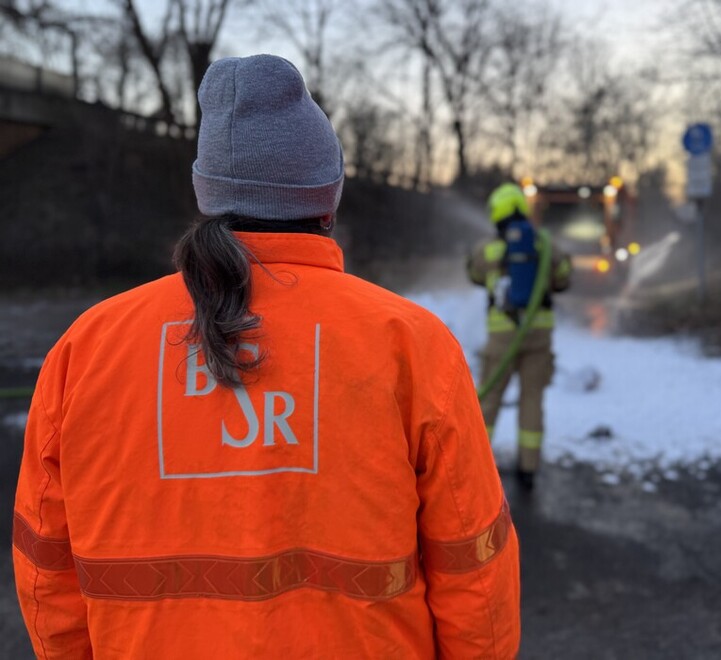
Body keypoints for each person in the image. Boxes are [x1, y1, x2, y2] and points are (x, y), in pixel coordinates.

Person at [13, 54, 520, 659]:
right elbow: (474, 574)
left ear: (207, 194)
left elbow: (47, 572)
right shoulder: (411, 343)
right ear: (327, 200)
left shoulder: (87, 348)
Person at [468, 183, 571, 489]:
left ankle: (476, 468)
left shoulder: (488, 249)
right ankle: (528, 468)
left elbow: (473, 274)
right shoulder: (545, 245)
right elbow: (564, 278)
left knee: (488, 401)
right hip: (538, 336)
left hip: (502, 338)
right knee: (532, 400)